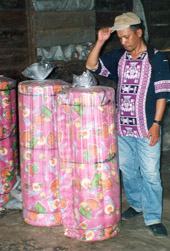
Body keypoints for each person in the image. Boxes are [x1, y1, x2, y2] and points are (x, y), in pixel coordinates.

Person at [86, 12, 170, 238]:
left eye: (127, 37)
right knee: (128, 170)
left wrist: (156, 123)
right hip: (123, 128)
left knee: (151, 174)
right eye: (120, 38)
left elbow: (163, 93)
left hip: (146, 128)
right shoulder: (119, 57)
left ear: (139, 32)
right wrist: (101, 42)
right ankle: (136, 204)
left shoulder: (157, 58)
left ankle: (152, 217)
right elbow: (91, 65)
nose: (124, 42)